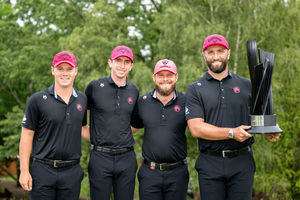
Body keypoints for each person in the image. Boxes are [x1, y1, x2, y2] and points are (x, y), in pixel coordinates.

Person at [185, 34, 280, 200]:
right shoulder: (195, 89)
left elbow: (259, 117)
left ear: (228, 53)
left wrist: (269, 130)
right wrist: (231, 132)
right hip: (210, 163)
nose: (216, 56)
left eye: (220, 51)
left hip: (242, 162)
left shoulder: (247, 84)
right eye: (211, 52)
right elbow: (196, 128)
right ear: (204, 55)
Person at [19, 51, 87, 199]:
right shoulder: (37, 100)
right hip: (43, 170)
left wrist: (113, 139)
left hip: (72, 171)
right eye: (60, 68)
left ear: (75, 71)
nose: (65, 73)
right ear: (53, 70)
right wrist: (24, 171)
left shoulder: (82, 99)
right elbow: (27, 135)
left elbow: (82, 129)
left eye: (69, 69)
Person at [85, 45, 139, 200]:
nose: (122, 65)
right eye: (118, 61)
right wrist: (99, 136)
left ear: (131, 66)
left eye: (126, 62)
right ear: (110, 62)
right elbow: (81, 122)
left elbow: (134, 125)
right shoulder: (94, 87)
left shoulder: (134, 91)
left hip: (126, 157)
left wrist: (118, 134)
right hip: (100, 157)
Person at [131, 59, 189, 200]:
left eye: (169, 75)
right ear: (154, 77)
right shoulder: (142, 102)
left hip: (178, 173)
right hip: (150, 173)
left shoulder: (186, 101)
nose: (165, 79)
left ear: (176, 77)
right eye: (160, 75)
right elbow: (131, 128)